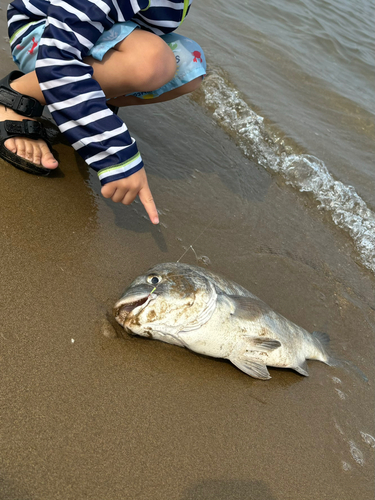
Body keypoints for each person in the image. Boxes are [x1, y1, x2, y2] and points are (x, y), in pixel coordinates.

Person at [0, 0, 206, 224]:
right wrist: (112, 149)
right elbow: (60, 49)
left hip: (92, 33)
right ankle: (16, 96)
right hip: (43, 31)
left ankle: (89, 99)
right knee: (153, 60)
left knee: (190, 64)